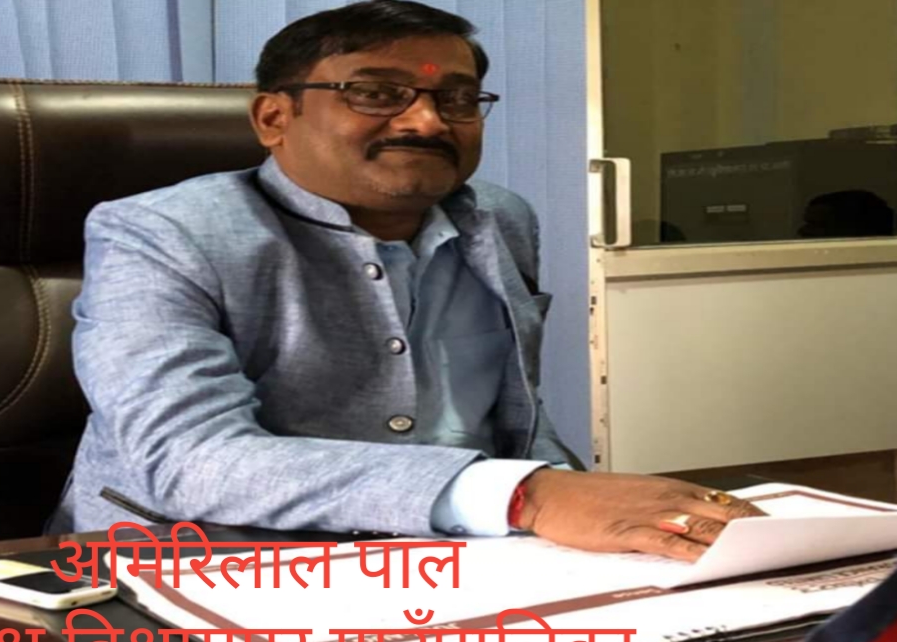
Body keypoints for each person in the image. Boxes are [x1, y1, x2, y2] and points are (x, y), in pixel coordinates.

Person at [47, 0, 764, 559]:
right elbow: (188, 460)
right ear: (273, 117)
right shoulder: (157, 231)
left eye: (458, 99)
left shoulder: (502, 219)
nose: (426, 121)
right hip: (201, 562)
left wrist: (600, 508)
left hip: (458, 555)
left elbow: (511, 416)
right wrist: (530, 498)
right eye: (375, 93)